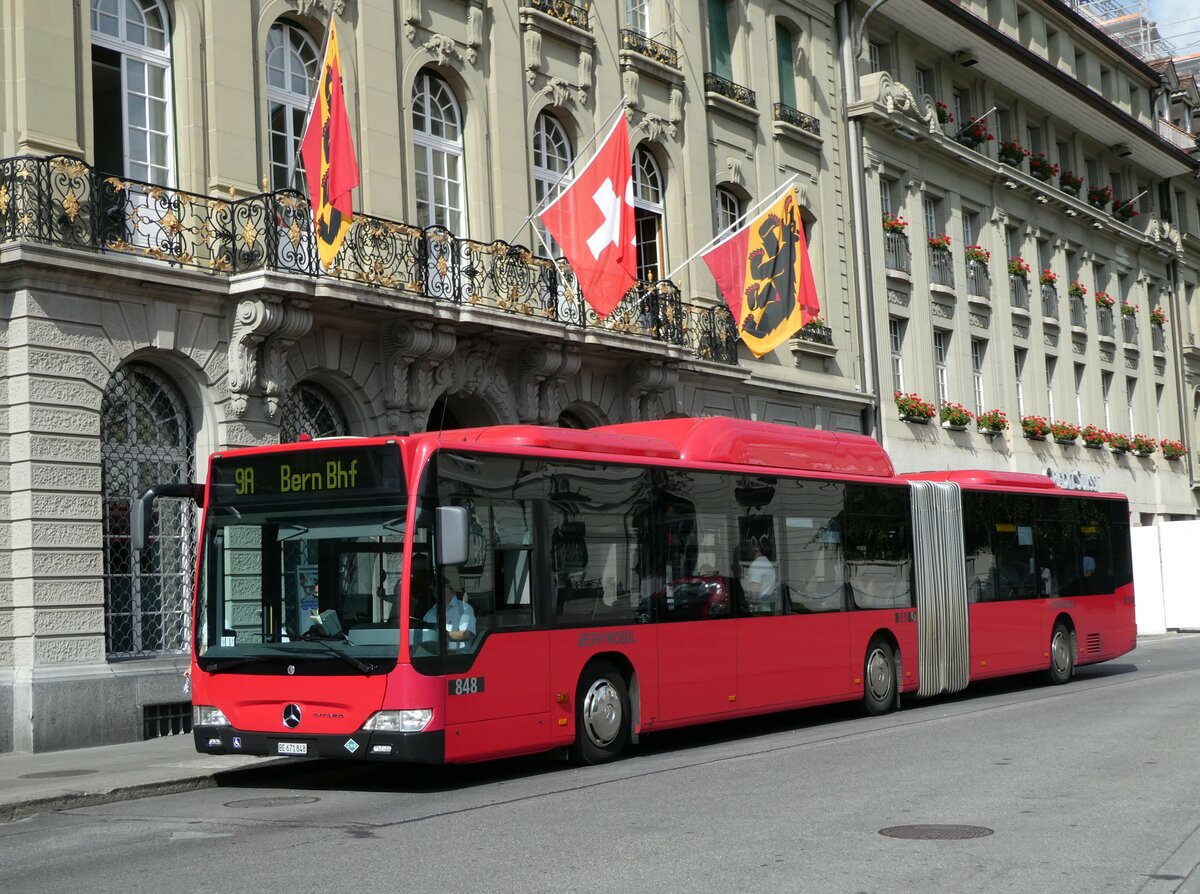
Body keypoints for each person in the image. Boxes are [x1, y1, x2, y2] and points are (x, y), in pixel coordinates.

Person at [423, 572, 476, 650]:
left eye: (434, 583)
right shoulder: (430, 613)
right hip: (433, 655)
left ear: (447, 586)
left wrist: (442, 635)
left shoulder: (465, 609)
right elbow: (423, 637)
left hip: (460, 657)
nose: (431, 587)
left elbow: (466, 634)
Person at [742, 538, 777, 612]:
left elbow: (755, 593)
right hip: (766, 607)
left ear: (757, 547)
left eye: (748, 546)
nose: (745, 550)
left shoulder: (756, 565)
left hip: (759, 609)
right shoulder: (766, 561)